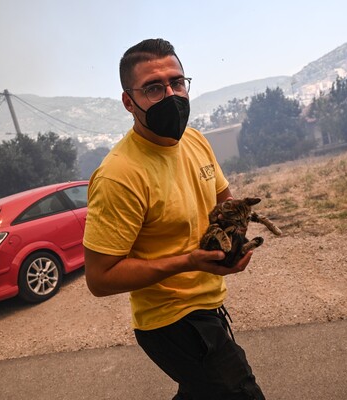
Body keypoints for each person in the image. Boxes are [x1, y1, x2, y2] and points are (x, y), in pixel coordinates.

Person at [83, 38, 265, 399]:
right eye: (154, 88)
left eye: (177, 83)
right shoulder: (120, 175)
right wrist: (188, 261)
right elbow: (100, 278)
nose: (171, 96)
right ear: (128, 102)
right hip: (170, 320)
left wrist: (235, 237)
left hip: (208, 304)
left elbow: (225, 205)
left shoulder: (195, 141)